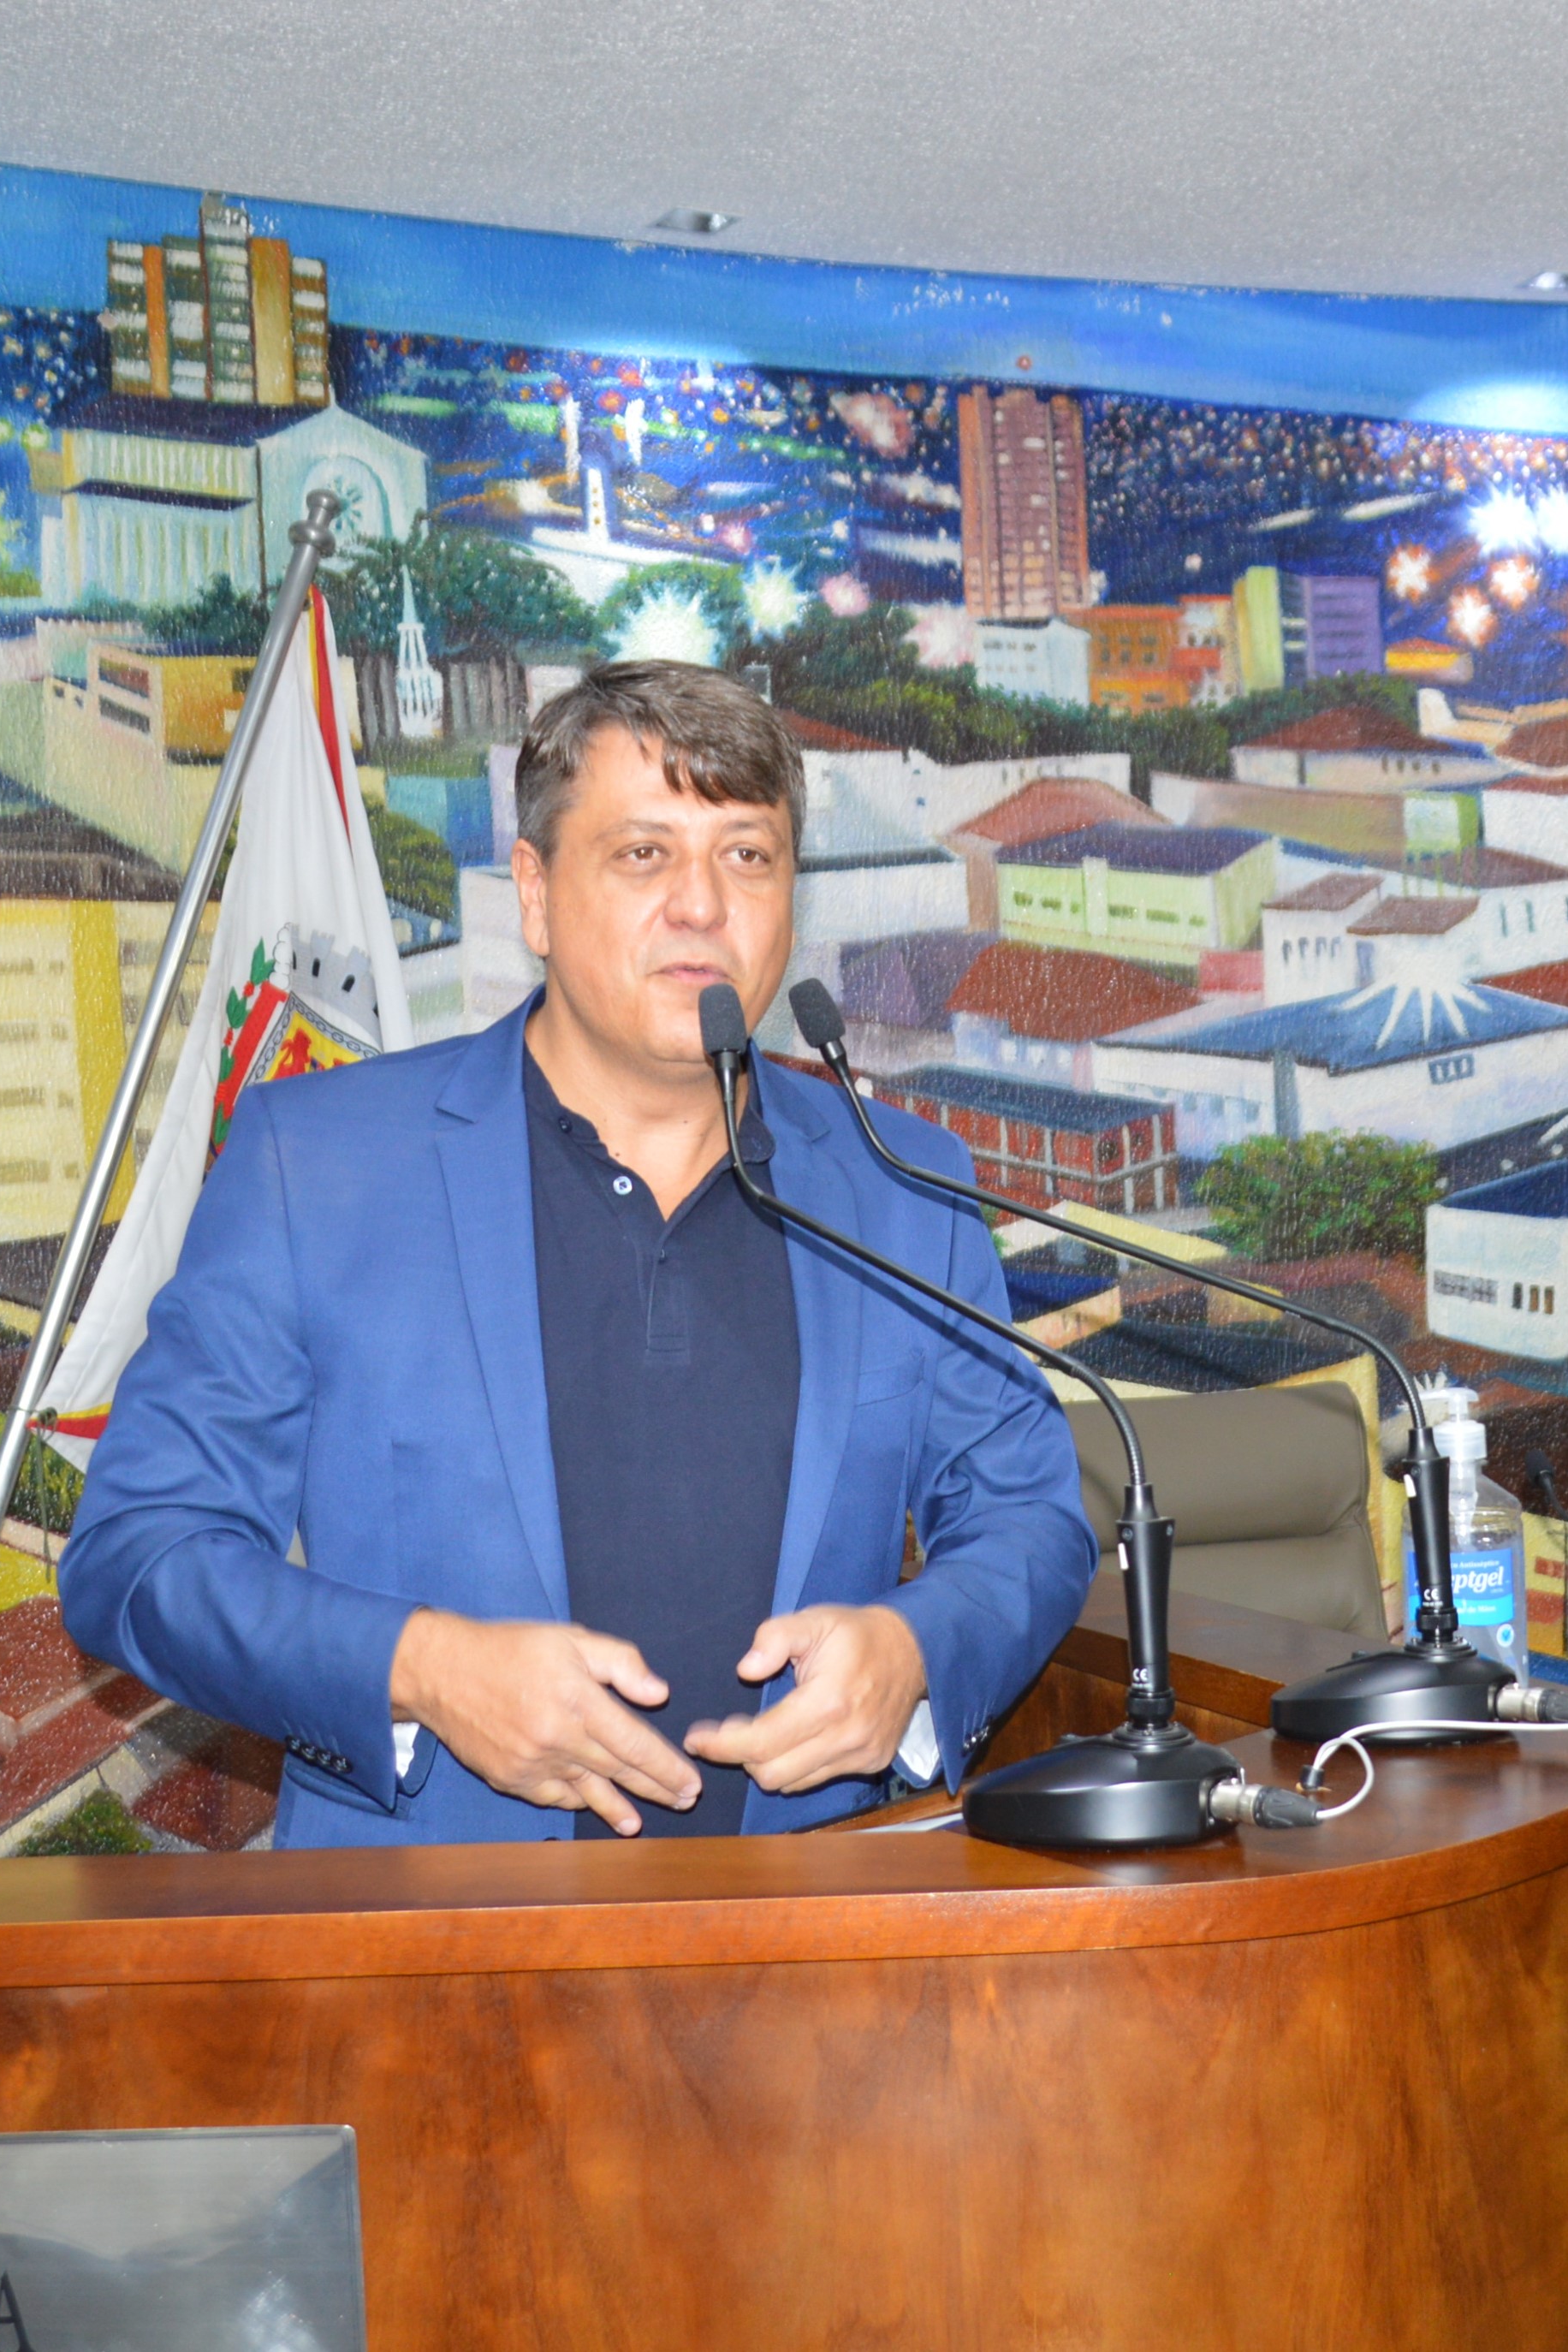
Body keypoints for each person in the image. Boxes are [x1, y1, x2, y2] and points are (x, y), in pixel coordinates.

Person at [61, 660, 1094, 1845]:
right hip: (435, 1933)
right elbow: (138, 1554)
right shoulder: (320, 1165)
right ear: (536, 894)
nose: (702, 906)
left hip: (811, 1924)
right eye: (644, 854)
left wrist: (914, 1651)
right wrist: (426, 1669)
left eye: (747, 856)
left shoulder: (902, 1184)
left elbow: (1028, 1517)